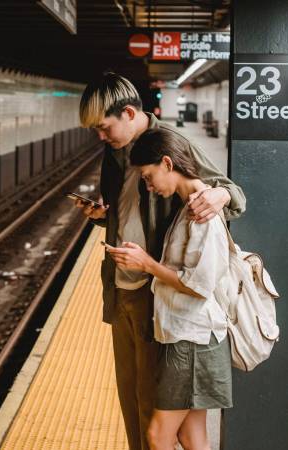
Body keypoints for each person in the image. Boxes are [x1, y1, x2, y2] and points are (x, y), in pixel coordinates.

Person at [76, 72, 245, 450]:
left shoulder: (170, 143)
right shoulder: (114, 154)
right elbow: (130, 208)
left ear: (130, 113)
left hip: (158, 296)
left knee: (154, 410)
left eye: (104, 128)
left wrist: (219, 197)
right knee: (130, 397)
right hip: (122, 291)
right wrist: (103, 214)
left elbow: (231, 192)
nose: (101, 137)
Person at [107, 128, 233, 450]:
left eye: (149, 177)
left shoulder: (201, 215)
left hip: (191, 340)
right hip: (188, 336)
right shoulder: (186, 208)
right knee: (191, 437)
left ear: (167, 163)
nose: (148, 186)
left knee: (158, 435)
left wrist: (146, 264)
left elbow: (199, 285)